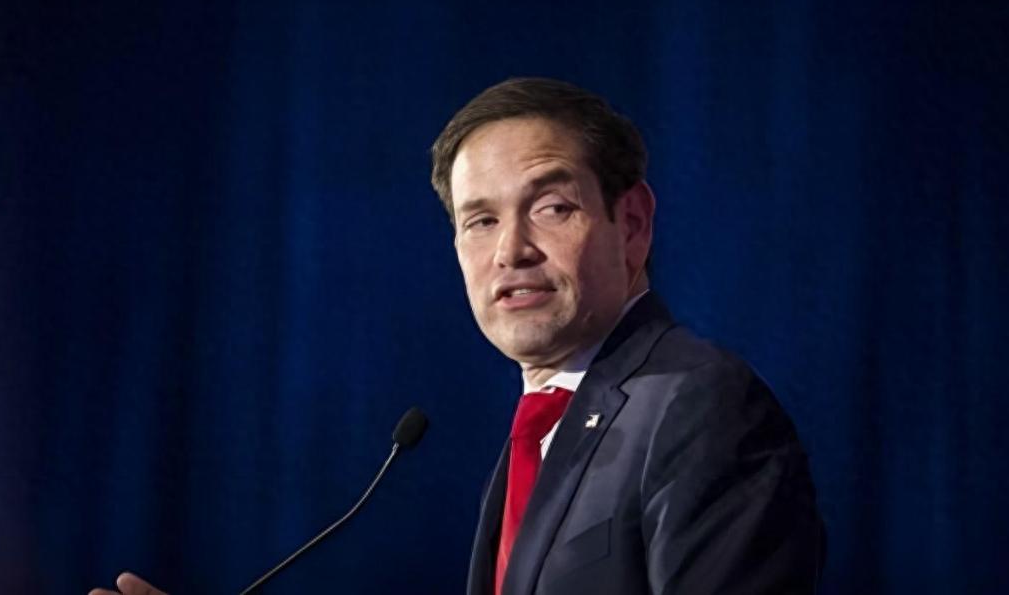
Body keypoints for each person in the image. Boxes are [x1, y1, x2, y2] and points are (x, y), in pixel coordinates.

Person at [91, 78, 824, 595]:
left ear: (630, 224)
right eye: (480, 220)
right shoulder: (550, 423)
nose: (510, 251)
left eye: (551, 208)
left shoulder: (698, 406)